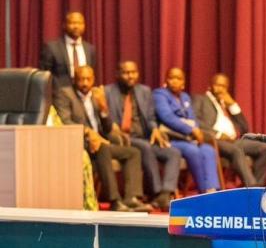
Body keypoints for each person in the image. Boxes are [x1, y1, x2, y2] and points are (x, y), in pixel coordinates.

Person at [54, 66, 151, 212]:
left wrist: (104, 108)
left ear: (94, 79)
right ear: (74, 80)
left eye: (88, 79)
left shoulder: (96, 95)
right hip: (80, 143)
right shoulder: (65, 94)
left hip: (100, 141)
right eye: (81, 79)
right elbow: (65, 121)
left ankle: (131, 198)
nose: (85, 83)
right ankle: (114, 200)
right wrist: (88, 132)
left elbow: (106, 128)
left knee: (133, 153)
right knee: (103, 148)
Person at [105, 61, 181, 210]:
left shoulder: (144, 91)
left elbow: (151, 117)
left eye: (133, 72)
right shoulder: (108, 92)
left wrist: (154, 129)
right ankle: (156, 191)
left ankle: (165, 193)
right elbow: (106, 120)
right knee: (145, 147)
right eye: (126, 73)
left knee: (173, 152)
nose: (130, 76)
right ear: (117, 74)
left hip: (144, 137)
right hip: (122, 138)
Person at [193, 73, 266, 187]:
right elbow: (195, 121)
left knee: (265, 148)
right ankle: (252, 186)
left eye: (223, 86)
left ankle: (258, 186)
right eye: (217, 85)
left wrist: (232, 105)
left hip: (233, 141)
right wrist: (219, 134)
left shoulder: (225, 103)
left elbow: (245, 128)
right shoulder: (200, 99)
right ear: (210, 85)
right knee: (236, 150)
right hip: (214, 140)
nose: (220, 89)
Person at [153, 67, 221, 194]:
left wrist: (195, 130)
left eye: (178, 79)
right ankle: (203, 191)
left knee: (208, 150)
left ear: (183, 82)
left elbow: (192, 118)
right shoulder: (159, 95)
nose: (174, 81)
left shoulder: (185, 97)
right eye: (171, 78)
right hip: (170, 138)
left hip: (188, 138)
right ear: (166, 80)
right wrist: (191, 130)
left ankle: (212, 190)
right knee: (193, 150)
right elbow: (167, 117)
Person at [40, 12, 98, 89]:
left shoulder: (90, 49)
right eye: (72, 23)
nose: (76, 26)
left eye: (80, 23)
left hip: (83, 94)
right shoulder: (51, 48)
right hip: (59, 95)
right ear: (64, 25)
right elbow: (44, 75)